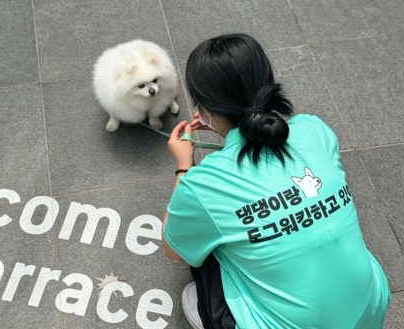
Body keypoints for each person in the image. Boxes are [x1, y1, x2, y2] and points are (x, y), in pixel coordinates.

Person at [162, 33, 390, 329]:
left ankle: (212, 313)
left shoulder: (203, 184)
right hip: (371, 309)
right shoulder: (313, 129)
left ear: (204, 109)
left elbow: (173, 248)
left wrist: (184, 167)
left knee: (201, 243)